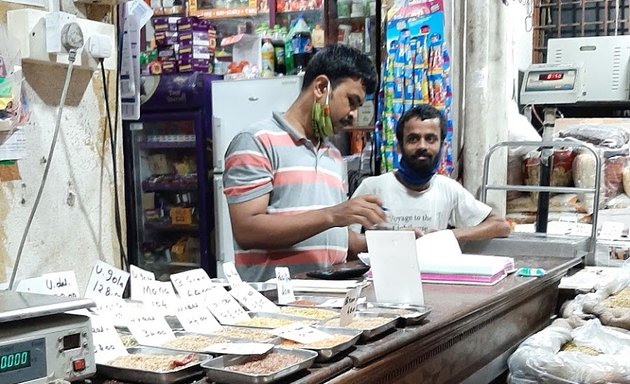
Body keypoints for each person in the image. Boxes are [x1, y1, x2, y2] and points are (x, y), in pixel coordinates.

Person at [223, 44, 387, 282]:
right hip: (276, 306)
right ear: (321, 87)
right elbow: (247, 230)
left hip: (329, 302)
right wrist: (334, 214)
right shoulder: (256, 142)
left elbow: (333, 238)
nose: (353, 115)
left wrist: (391, 242)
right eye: (351, 102)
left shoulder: (333, 157)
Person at [351, 104, 511, 242]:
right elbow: (346, 240)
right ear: (399, 147)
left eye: (430, 139)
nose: (422, 146)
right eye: (413, 139)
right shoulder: (373, 188)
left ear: (443, 146)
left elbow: (500, 225)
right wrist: (393, 240)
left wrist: (448, 236)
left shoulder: (448, 189)